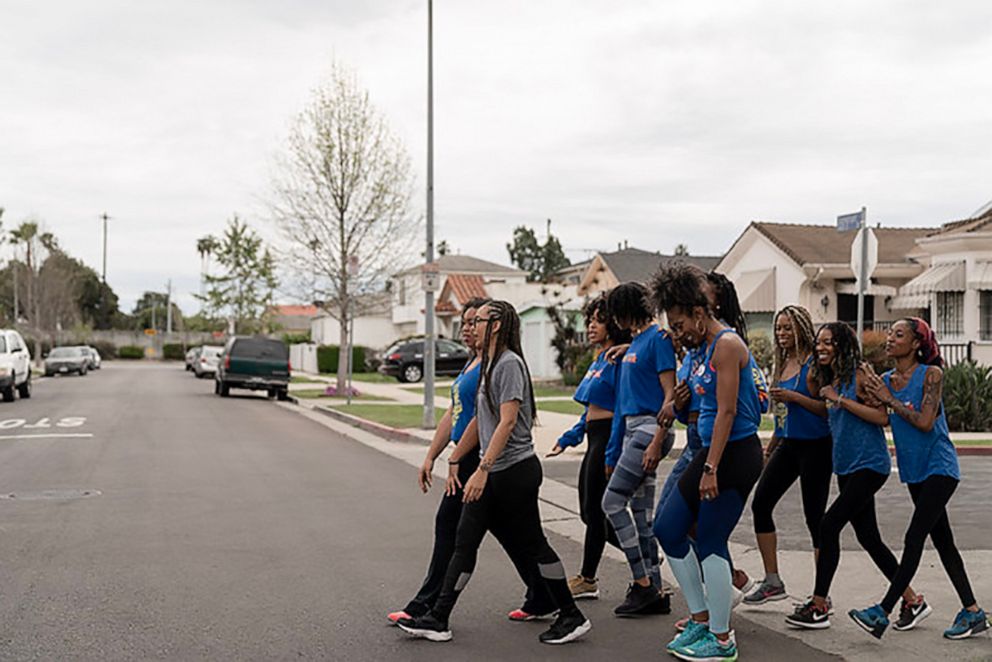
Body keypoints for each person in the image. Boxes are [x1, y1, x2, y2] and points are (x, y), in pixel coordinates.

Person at [397, 300, 591, 645]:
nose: (472, 325)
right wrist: (457, 457)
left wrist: (483, 468)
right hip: (495, 470)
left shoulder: (509, 364)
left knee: (535, 545)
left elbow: (508, 420)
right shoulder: (488, 363)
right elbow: (478, 419)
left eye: (480, 320)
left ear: (497, 324)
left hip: (514, 471)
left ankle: (570, 613)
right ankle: (439, 617)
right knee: (464, 542)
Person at [848, 318, 989, 640]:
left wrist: (889, 399)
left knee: (914, 538)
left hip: (939, 467)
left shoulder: (931, 375)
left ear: (916, 344)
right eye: (889, 333)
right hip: (914, 471)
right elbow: (876, 411)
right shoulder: (885, 380)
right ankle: (972, 612)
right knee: (944, 542)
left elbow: (926, 422)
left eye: (898, 335)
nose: (889, 339)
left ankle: (882, 612)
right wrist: (859, 385)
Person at [652, 263, 765, 662]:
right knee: (667, 528)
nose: (678, 333)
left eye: (681, 324)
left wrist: (711, 468)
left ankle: (721, 639)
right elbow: (698, 407)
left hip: (736, 453)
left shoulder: (727, 346)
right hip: (711, 451)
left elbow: (728, 412)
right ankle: (701, 618)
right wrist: (677, 404)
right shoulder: (699, 349)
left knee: (712, 540)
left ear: (700, 314)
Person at [786, 322, 920, 630]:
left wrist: (840, 399)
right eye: (819, 342)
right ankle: (912, 599)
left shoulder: (858, 374)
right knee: (869, 538)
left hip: (870, 464)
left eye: (828, 343)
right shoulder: (830, 377)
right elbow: (823, 406)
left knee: (828, 525)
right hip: (847, 466)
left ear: (842, 346)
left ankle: (819, 605)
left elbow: (883, 417)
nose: (821, 347)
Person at [745, 305, 831, 605]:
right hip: (788, 445)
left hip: (817, 446)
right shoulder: (783, 364)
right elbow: (782, 415)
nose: (781, 334)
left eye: (786, 328)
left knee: (815, 519)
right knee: (761, 503)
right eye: (778, 328)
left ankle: (822, 594)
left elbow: (826, 409)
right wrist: (771, 448)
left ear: (801, 329)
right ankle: (772, 580)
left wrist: (795, 397)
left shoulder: (815, 365)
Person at [546, 294, 629, 600]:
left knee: (596, 512)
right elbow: (589, 409)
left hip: (608, 436)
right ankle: (641, 552)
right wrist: (569, 438)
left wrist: (613, 450)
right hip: (593, 436)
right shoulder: (599, 358)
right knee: (586, 513)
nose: (591, 326)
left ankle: (588, 578)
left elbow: (622, 407)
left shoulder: (620, 359)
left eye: (598, 320)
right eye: (589, 320)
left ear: (614, 323)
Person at [601, 282, 676, 617]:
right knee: (642, 517)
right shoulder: (638, 341)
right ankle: (656, 591)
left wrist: (659, 440)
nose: (614, 318)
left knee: (612, 502)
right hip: (635, 430)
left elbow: (669, 394)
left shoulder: (658, 339)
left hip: (650, 429)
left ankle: (642, 583)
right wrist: (624, 349)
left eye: (617, 310)